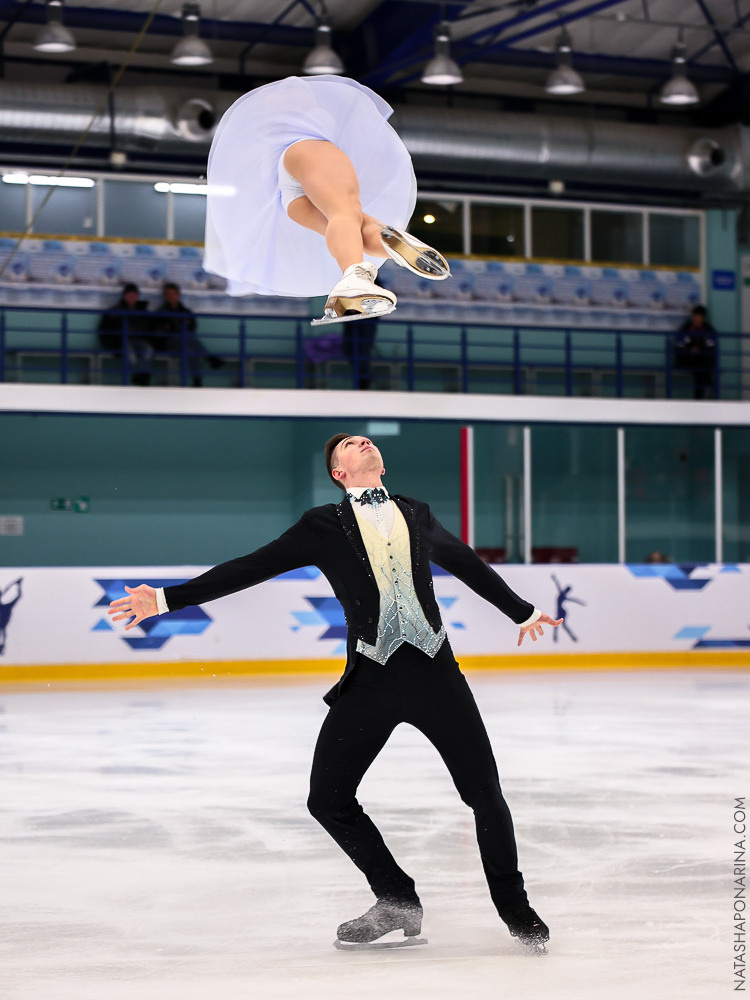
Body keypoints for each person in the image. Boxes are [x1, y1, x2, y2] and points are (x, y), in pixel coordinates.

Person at [108, 434, 562, 953]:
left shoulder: (417, 512)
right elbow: (250, 567)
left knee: (486, 796)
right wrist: (167, 599)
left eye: (365, 439)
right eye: (349, 444)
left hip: (437, 676)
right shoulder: (321, 526)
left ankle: (517, 912)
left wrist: (521, 611)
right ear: (338, 473)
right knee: (327, 799)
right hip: (371, 681)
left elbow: (466, 563)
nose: (362, 442)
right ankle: (396, 898)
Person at [203, 75, 450, 325]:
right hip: (309, 153)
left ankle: (389, 243)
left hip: (286, 196)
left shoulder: (266, 122)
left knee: (348, 223)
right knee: (346, 212)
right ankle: (355, 279)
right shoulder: (313, 117)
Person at [151, 282, 224, 388]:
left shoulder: (185, 311)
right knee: (186, 339)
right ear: (165, 296)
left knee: (189, 349)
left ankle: (197, 380)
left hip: (185, 343)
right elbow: (158, 331)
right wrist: (169, 328)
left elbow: (193, 327)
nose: (171, 296)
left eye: (173, 293)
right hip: (169, 343)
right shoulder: (161, 312)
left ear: (178, 295)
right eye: (168, 294)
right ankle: (209, 359)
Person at [97, 282, 154, 386]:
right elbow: (104, 329)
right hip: (121, 342)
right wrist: (109, 342)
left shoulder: (144, 312)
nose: (132, 297)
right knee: (129, 351)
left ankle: (141, 375)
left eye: (134, 295)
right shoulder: (115, 311)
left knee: (147, 349)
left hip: (140, 341)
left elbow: (150, 329)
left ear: (137, 296)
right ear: (124, 296)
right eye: (129, 295)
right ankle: (139, 377)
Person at [674, 305, 717, 400]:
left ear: (703, 318)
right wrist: (690, 350)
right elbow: (679, 346)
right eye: (694, 316)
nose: (695, 319)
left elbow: (711, 346)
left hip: (702, 361)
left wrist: (700, 349)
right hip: (687, 359)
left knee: (701, 368)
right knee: (701, 369)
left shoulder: (708, 330)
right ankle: (709, 391)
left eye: (698, 317)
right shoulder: (685, 329)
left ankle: (699, 398)